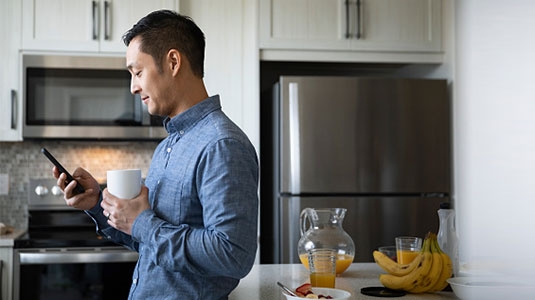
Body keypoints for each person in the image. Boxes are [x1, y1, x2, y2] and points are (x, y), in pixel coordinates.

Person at [53, 10, 259, 300]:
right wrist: (98, 204)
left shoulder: (221, 144)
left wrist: (143, 222)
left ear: (173, 62)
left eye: (138, 72)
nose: (133, 87)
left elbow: (233, 254)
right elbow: (150, 240)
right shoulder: (168, 146)